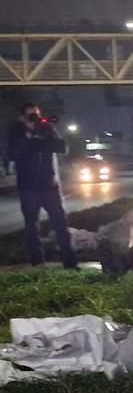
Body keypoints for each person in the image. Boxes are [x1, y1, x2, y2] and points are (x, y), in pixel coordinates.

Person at [5, 103, 77, 269]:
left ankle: (70, 263)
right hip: (28, 188)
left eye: (37, 115)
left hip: (50, 186)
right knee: (32, 227)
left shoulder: (46, 129)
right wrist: (29, 136)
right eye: (31, 116)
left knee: (61, 225)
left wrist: (48, 132)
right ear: (22, 118)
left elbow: (63, 148)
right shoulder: (17, 132)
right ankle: (37, 264)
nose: (35, 119)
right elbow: (12, 154)